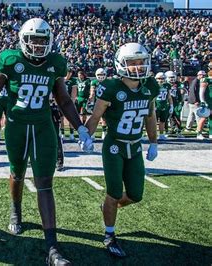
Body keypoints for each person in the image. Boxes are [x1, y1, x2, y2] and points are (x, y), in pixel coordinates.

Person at [0, 18, 93, 265]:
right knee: (17, 173)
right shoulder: (10, 59)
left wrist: (80, 127)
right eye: (33, 40)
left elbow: (64, 99)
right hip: (17, 126)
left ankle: (53, 247)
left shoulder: (56, 62)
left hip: (42, 127)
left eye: (42, 41)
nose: (37, 45)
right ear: (23, 40)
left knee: (44, 182)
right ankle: (16, 210)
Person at [85, 42, 160, 258]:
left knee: (136, 194)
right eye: (132, 63)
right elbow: (96, 116)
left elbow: (150, 114)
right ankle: (109, 234)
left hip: (135, 145)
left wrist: (153, 141)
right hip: (115, 146)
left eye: (141, 62)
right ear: (121, 64)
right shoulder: (111, 87)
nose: (137, 67)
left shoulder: (150, 86)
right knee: (114, 191)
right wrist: (86, 135)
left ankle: (108, 206)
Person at [165, 71, 184, 138]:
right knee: (166, 118)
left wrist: (181, 102)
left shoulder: (178, 84)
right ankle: (166, 130)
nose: (172, 79)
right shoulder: (165, 84)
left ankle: (178, 131)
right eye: (170, 77)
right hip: (167, 103)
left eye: (173, 77)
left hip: (176, 103)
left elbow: (181, 93)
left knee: (177, 117)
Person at [154, 72, 173, 140]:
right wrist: (153, 106)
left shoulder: (167, 85)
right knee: (154, 122)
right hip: (156, 106)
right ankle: (154, 135)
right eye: (159, 78)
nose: (161, 80)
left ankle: (161, 134)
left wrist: (171, 105)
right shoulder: (154, 85)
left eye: (162, 78)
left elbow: (169, 96)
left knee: (162, 121)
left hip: (164, 106)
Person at [197, 67, 212, 139]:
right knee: (204, 117)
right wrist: (202, 101)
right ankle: (199, 133)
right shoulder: (206, 79)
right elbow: (201, 92)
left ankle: (211, 133)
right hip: (207, 101)